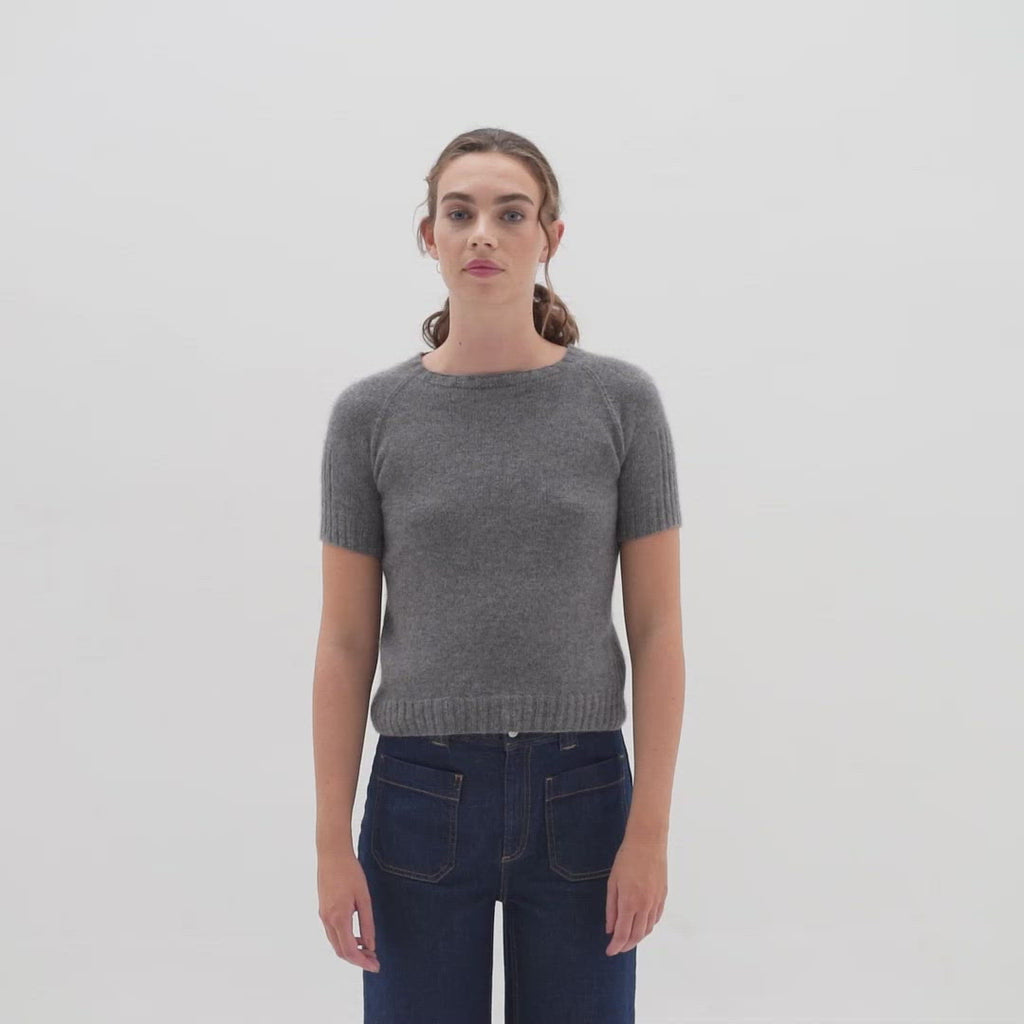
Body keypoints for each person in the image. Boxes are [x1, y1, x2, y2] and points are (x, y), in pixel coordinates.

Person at [313, 127, 686, 1024]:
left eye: (511, 214)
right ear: (429, 236)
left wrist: (649, 832)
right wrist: (330, 844)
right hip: (418, 795)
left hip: (583, 791)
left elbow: (658, 629)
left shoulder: (621, 403)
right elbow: (345, 641)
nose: (483, 232)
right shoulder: (370, 416)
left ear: (550, 237)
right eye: (460, 212)